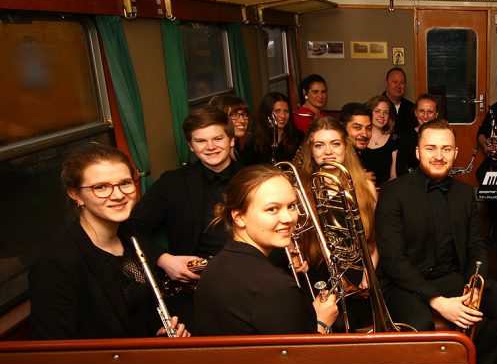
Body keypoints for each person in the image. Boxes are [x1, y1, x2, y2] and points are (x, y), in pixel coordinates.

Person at [376, 119, 497, 364]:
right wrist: (437, 301)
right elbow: (394, 261)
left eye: (446, 148)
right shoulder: (393, 193)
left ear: (456, 152)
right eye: (430, 148)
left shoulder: (463, 193)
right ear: (418, 152)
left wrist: (474, 285)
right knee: (419, 325)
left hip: (451, 277)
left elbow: (476, 247)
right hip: (405, 283)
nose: (438, 155)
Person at [30, 143, 189, 339]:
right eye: (101, 187)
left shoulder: (130, 238)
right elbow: (54, 353)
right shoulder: (56, 263)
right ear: (75, 195)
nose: (118, 195)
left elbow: (139, 314)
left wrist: (159, 335)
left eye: (125, 183)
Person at [127, 107, 242, 331]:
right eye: (201, 141)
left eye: (218, 138)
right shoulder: (172, 184)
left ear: (231, 140)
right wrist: (164, 259)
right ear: (191, 146)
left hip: (251, 284)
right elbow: (131, 228)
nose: (210, 147)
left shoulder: (256, 177)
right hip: (195, 293)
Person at [195, 165, 338, 335]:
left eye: (291, 206)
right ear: (239, 217)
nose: (288, 218)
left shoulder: (214, 266)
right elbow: (303, 358)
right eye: (272, 209)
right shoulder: (276, 287)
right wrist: (322, 322)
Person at [295, 116, 378, 329]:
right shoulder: (300, 190)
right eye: (319, 145)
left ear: (345, 147)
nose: (328, 151)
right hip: (319, 276)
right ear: (311, 151)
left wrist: (371, 272)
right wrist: (296, 256)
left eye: (335, 144)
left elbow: (374, 242)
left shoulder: (366, 187)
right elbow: (291, 237)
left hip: (358, 276)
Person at [244, 92, 302, 165]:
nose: (283, 116)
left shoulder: (299, 137)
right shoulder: (253, 143)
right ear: (266, 113)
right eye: (277, 111)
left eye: (286, 111)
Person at [394, 94, 440, 176]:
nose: (425, 116)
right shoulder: (407, 138)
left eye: (430, 112)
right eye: (421, 111)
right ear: (416, 112)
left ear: (436, 114)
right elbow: (400, 169)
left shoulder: (442, 137)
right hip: (412, 184)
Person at [364, 95, 400, 182]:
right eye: (377, 111)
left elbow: (393, 176)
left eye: (386, 112)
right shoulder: (360, 138)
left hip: (385, 191)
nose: (382, 115)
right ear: (369, 113)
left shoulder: (394, 139)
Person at [208, 94, 250, 161]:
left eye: (244, 114)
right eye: (234, 115)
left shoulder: (244, 147)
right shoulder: (215, 154)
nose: (242, 120)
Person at [339, 102, 375, 180]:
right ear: (342, 128)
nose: (365, 134)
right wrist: (359, 178)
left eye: (368, 128)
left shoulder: (361, 154)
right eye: (357, 128)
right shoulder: (335, 154)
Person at [382, 67, 417, 137]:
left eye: (402, 83)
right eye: (394, 82)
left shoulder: (412, 108)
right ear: (386, 83)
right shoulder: (374, 107)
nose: (398, 86)